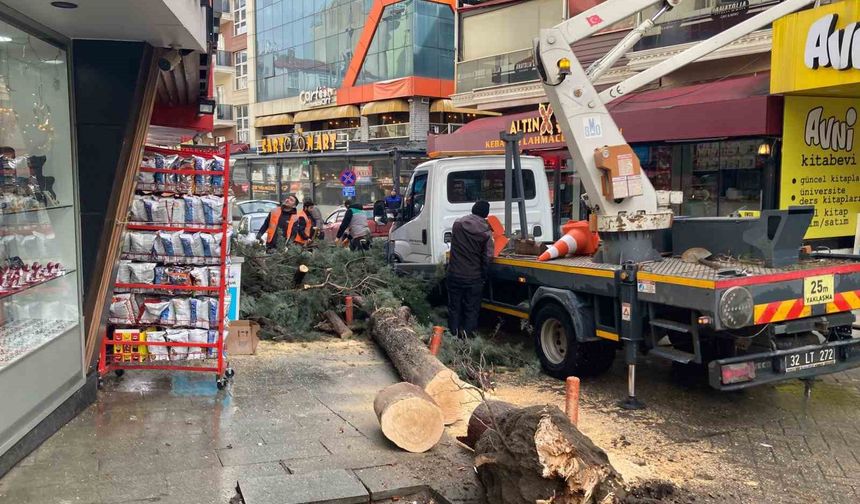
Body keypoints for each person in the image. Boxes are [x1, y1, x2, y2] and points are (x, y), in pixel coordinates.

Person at [447, 200, 493, 338]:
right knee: (471, 309)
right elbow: (487, 257)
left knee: (454, 308)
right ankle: (467, 338)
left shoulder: (458, 225)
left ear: (473, 209)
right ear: (486, 214)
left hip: (454, 274)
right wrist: (484, 275)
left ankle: (453, 335)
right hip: (473, 277)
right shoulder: (486, 232)